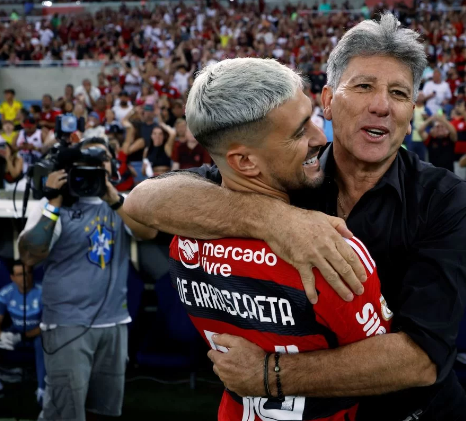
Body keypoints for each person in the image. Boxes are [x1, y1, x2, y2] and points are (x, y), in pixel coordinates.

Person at [125, 13, 466, 420]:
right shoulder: (288, 171)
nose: (381, 105)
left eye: (399, 93)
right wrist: (273, 219)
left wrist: (269, 374)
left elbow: (422, 358)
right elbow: (143, 201)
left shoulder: (446, 199)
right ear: (328, 101)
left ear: (411, 111)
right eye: (364, 86)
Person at [169, 57, 391, 420]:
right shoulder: (330, 252)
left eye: (312, 118)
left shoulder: (184, 241)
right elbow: (383, 366)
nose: (321, 137)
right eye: (299, 131)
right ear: (245, 162)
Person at [18, 137, 157, 421]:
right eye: (88, 160)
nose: (96, 164)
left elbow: (148, 233)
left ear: (113, 166)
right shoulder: (53, 205)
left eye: (102, 158)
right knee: (65, 413)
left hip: (114, 323)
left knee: (103, 411)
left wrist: (114, 199)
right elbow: (30, 256)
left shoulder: (122, 203)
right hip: (68, 323)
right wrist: (54, 202)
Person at [0, 260, 45, 404]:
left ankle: (42, 390)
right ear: (13, 277)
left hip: (37, 333)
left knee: (42, 343)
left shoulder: (42, 292)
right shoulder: (6, 293)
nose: (24, 278)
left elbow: (46, 325)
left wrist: (21, 337)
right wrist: (2, 336)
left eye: (27, 273)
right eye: (20, 275)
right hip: (16, 330)